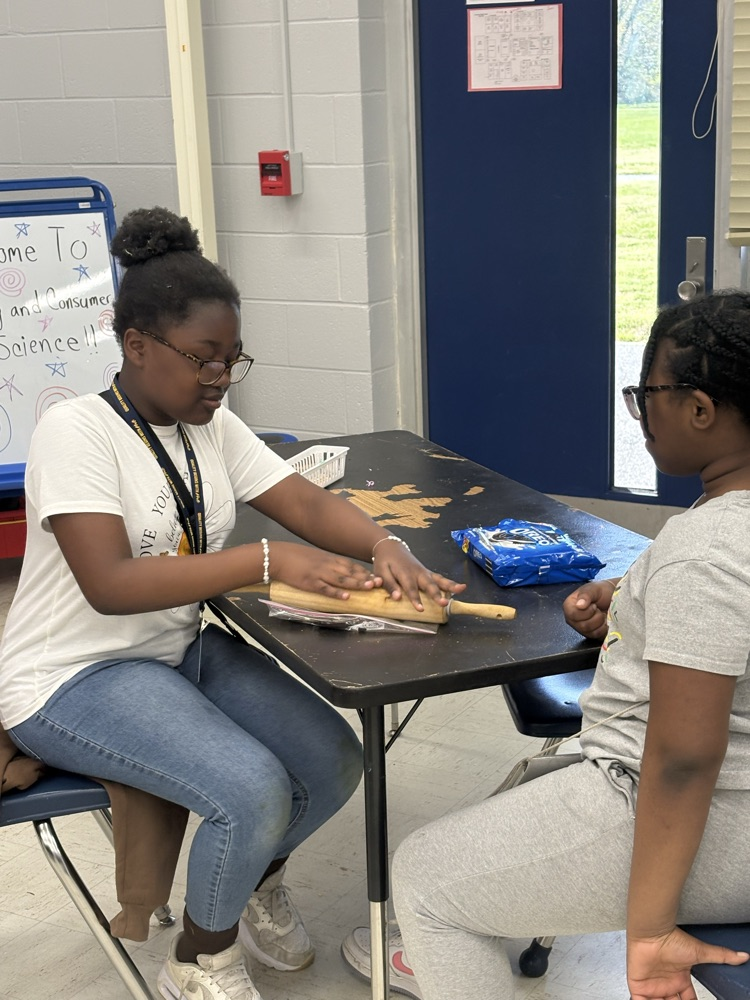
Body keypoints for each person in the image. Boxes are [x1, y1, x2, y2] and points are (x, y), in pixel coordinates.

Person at [0, 206, 465, 1000]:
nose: (219, 378)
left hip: (171, 651)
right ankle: (202, 960)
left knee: (331, 761)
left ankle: (247, 886)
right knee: (248, 788)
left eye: (231, 361)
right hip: (69, 676)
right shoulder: (75, 433)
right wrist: (264, 560)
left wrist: (384, 545)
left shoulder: (207, 423)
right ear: (136, 344)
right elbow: (109, 584)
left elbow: (303, 503)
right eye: (202, 360)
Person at [342, 289, 750, 1000]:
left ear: (699, 409)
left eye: (643, 393)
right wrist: (638, 592)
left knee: (425, 882)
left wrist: (649, 932)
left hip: (713, 818)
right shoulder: (719, 537)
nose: (640, 412)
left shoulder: (707, 548)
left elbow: (684, 758)